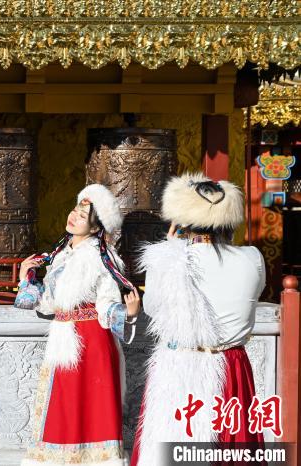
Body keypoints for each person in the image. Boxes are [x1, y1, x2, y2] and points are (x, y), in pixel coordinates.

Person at [130, 173, 266, 466]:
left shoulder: (167, 259)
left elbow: (153, 308)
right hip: (230, 364)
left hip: (180, 364)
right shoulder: (253, 257)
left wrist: (168, 250)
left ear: (182, 220)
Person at [15, 184, 141, 466]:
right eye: (74, 210)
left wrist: (127, 312)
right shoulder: (61, 255)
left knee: (91, 408)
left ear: (96, 228)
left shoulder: (101, 259)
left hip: (91, 342)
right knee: (62, 407)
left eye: (82, 216)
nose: (73, 217)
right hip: (63, 338)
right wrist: (27, 278)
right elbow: (47, 305)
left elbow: (106, 304)